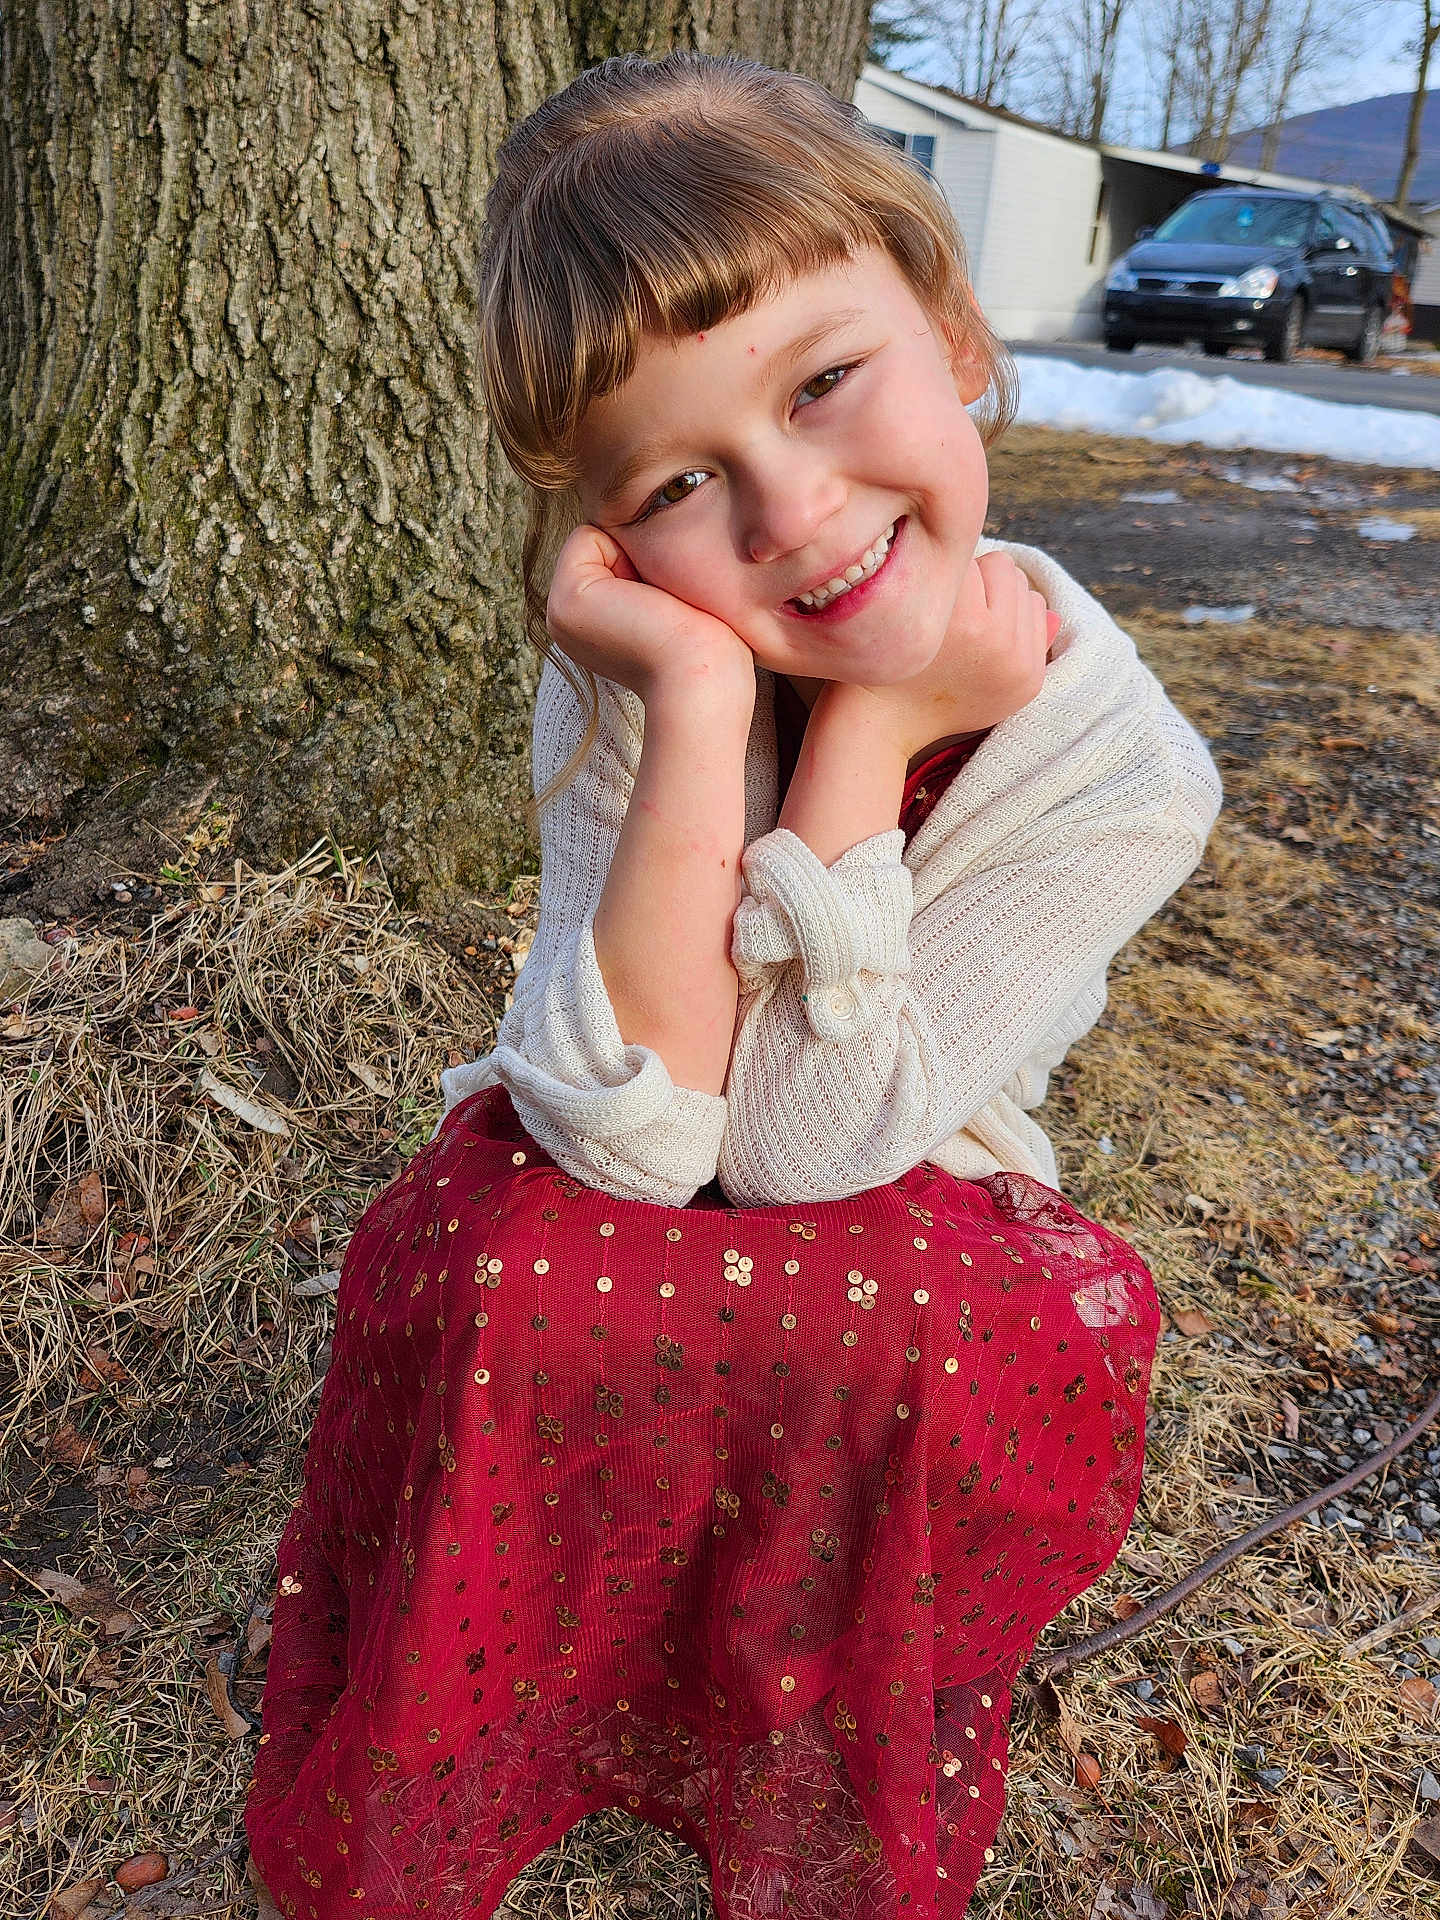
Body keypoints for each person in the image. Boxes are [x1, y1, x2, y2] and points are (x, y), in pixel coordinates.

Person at [244, 50, 1222, 1920]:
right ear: (607, 531)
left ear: (955, 332)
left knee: (873, 1335)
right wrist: (701, 710)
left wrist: (866, 734)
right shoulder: (648, 664)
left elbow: (802, 1149)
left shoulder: (1125, 771)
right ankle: (554, 1674)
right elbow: (629, 1127)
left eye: (828, 381)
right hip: (691, 1146)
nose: (790, 515)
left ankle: (765, 1692)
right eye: (687, 479)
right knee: (504, 1250)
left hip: (916, 1177)